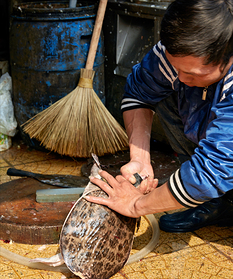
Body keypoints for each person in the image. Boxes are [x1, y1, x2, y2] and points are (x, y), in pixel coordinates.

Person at [85, 0, 233, 232]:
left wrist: (136, 205)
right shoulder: (171, 54)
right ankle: (217, 203)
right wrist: (140, 158)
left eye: (192, 73)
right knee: (161, 91)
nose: (181, 77)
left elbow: (216, 167)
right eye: (177, 69)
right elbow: (139, 93)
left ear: (227, 55)